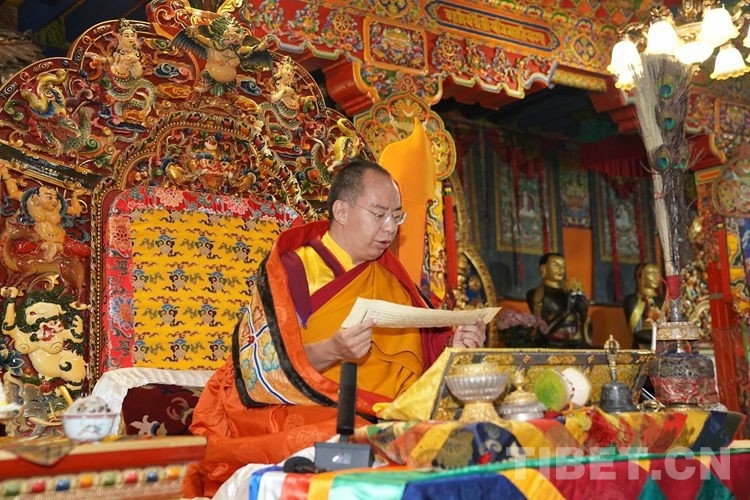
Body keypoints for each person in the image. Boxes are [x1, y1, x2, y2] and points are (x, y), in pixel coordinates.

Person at [184, 159, 486, 497]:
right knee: (359, 439)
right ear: (341, 211)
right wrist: (333, 350)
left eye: (396, 216)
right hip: (293, 408)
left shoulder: (392, 281)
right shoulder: (293, 269)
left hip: (386, 416)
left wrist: (454, 348)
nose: (390, 228)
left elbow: (421, 363)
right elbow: (259, 373)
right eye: (379, 214)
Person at [525, 252, 590, 348]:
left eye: (563, 266)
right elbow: (543, 330)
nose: (561, 270)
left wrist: (583, 311)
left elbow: (582, 322)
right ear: (543, 269)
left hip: (576, 342)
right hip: (552, 345)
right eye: (556, 265)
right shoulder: (536, 294)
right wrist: (566, 310)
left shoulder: (569, 293)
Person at [623, 262, 664, 349]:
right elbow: (636, 331)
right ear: (640, 276)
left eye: (658, 274)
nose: (656, 277)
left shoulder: (662, 300)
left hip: (661, 347)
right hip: (641, 346)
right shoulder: (631, 300)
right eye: (652, 273)